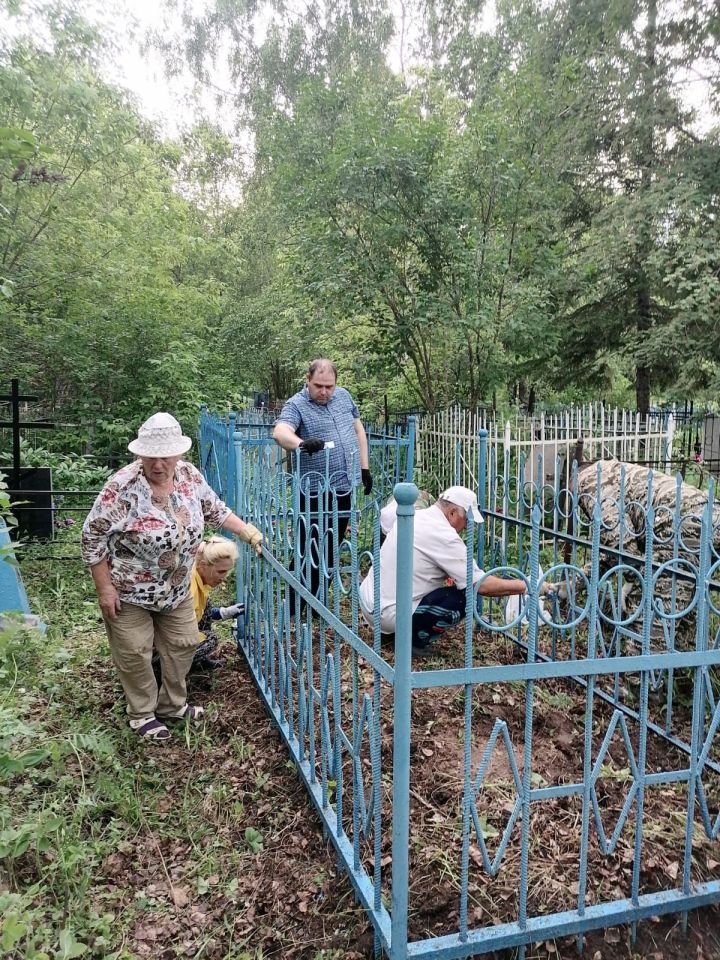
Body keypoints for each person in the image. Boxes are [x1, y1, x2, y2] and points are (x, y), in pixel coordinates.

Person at [81, 412, 264, 741]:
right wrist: (105, 588)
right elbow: (92, 535)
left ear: (178, 453)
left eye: (165, 456)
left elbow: (215, 510)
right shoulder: (121, 487)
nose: (158, 464)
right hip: (129, 592)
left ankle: (172, 706)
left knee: (183, 645)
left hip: (177, 589)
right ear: (140, 455)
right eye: (150, 457)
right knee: (135, 652)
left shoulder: (189, 476)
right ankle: (141, 713)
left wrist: (248, 532)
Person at [359, 485, 530, 657]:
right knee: (462, 599)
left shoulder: (417, 516)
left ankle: (394, 632)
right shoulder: (444, 535)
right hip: (388, 614)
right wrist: (525, 585)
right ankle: (412, 641)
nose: (466, 528)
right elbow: (480, 584)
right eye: (467, 521)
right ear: (453, 513)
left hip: (370, 603)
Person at [273, 359, 372, 607]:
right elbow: (281, 432)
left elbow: (358, 430)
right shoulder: (297, 404)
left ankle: (318, 600)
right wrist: (301, 443)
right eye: (319, 385)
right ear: (308, 380)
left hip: (344, 485)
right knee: (310, 544)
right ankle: (296, 601)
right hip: (315, 488)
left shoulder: (344, 397)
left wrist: (364, 467)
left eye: (330, 386)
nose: (324, 392)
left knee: (332, 544)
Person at [152, 536, 244, 682]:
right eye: (221, 572)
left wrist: (223, 613)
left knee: (207, 606)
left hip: (170, 634)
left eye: (227, 571)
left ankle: (196, 663)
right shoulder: (190, 589)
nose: (224, 578)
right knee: (210, 640)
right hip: (163, 642)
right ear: (203, 565)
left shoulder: (195, 575)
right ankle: (164, 672)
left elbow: (200, 613)